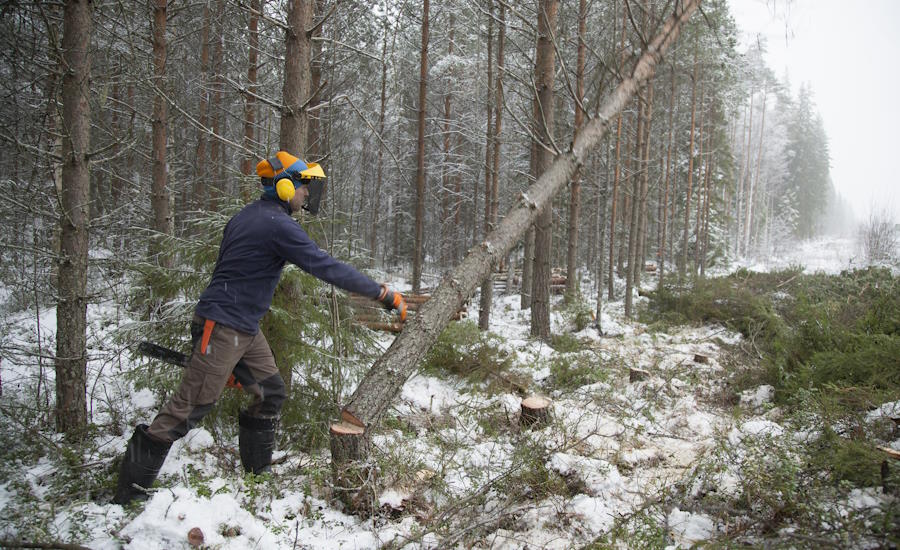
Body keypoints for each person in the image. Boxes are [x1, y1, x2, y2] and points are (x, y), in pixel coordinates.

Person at [114, 151, 407, 505]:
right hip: (222, 326)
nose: (306, 196)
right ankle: (128, 495)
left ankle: (255, 479)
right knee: (189, 407)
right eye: (304, 188)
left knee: (270, 392)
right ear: (285, 186)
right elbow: (324, 266)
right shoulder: (277, 225)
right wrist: (381, 292)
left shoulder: (249, 216)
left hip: (244, 328)